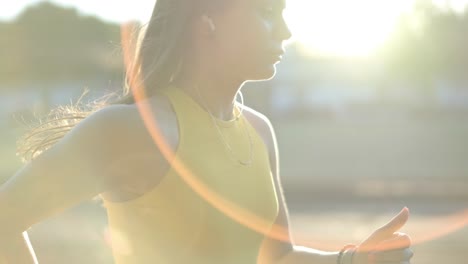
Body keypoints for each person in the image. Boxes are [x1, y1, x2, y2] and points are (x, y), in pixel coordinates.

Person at [0, 0, 414, 263]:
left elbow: (278, 257)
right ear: (207, 20)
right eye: (268, 13)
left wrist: (352, 261)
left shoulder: (260, 131)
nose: (286, 31)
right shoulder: (132, 129)